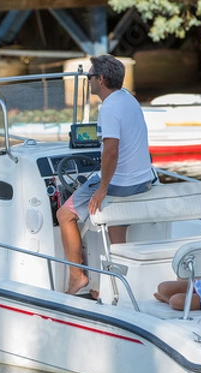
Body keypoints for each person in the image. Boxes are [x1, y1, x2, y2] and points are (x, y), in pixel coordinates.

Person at [56, 54, 153, 295]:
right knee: (115, 227)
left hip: (122, 184)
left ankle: (77, 278)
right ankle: (116, 287)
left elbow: (110, 152)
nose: (88, 81)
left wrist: (102, 189)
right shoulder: (129, 99)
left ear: (100, 79)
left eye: (89, 77)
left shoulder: (109, 107)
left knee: (64, 214)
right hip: (143, 181)